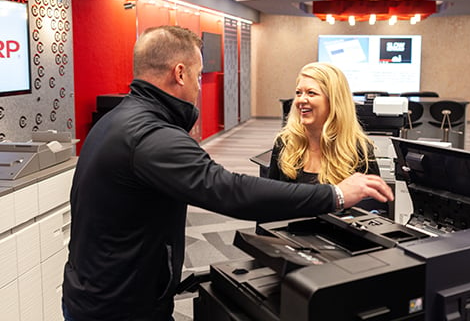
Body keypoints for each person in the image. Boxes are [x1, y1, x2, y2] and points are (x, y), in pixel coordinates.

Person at [61, 26, 393, 321]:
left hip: (98, 289)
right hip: (120, 305)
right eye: (197, 75)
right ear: (180, 73)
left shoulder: (116, 120)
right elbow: (228, 189)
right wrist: (334, 194)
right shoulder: (152, 136)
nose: (199, 86)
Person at [267, 62, 385, 212]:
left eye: (311, 93)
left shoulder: (358, 150)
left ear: (334, 101)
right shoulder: (285, 143)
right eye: (298, 93)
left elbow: (376, 210)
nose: (301, 100)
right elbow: (268, 204)